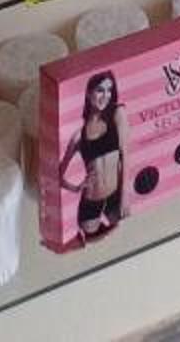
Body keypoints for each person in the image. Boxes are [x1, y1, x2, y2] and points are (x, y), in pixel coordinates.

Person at [59, 70, 124, 240]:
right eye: (100, 90)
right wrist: (75, 188)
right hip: (91, 201)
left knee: (121, 236)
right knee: (93, 240)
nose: (106, 95)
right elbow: (57, 175)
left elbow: (124, 158)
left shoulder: (115, 122)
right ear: (88, 94)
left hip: (115, 195)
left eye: (109, 90)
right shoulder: (78, 136)